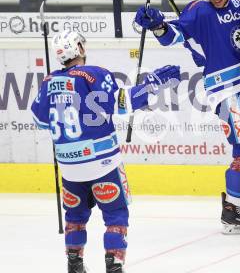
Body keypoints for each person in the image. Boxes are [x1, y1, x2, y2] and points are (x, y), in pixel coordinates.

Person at [31, 30, 181, 273]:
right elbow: (122, 104)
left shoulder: (48, 82)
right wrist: (151, 85)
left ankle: (74, 263)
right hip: (102, 162)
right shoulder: (94, 74)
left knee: (75, 216)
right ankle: (114, 264)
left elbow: (41, 120)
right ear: (78, 49)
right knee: (115, 213)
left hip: (69, 167)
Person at [135, 0, 240, 234]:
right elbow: (173, 35)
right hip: (224, 90)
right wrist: (158, 25)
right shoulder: (199, 11)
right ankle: (232, 211)